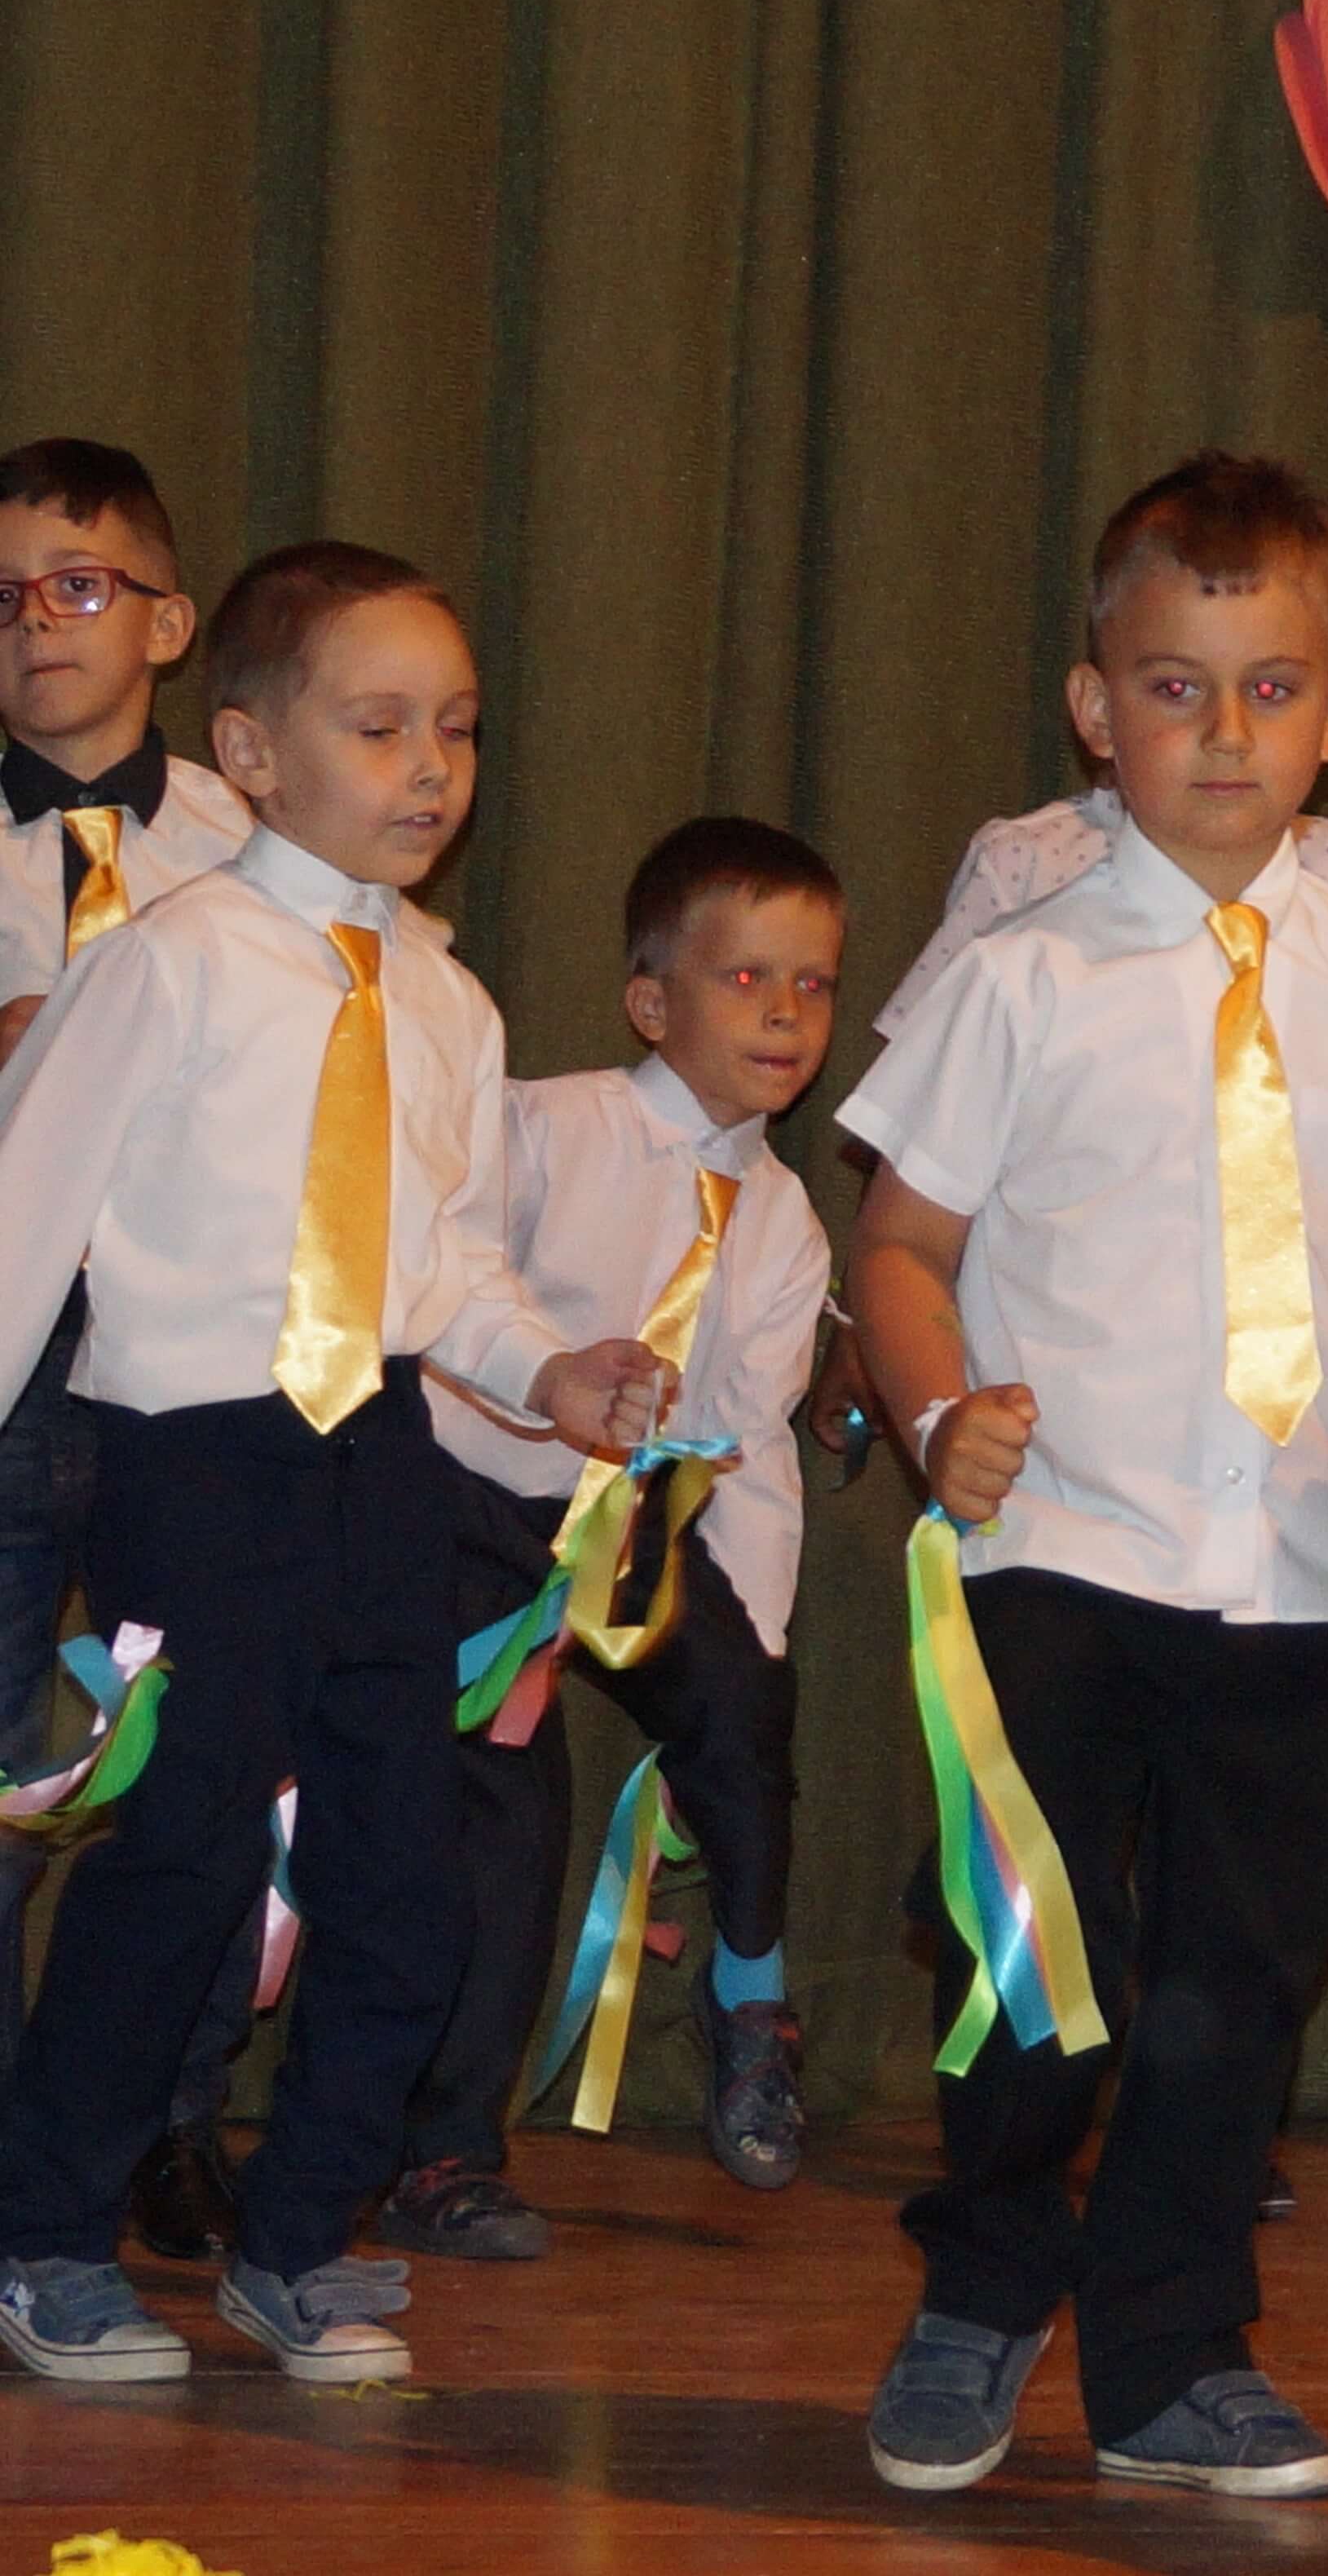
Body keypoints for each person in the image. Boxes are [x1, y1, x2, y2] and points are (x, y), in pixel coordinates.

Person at [842, 453, 1328, 2503]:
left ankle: (1172, 2354)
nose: (1225, 732)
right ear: (1093, 707)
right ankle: (981, 2285)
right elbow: (897, 1243)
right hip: (1060, 1545)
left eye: (1270, 688)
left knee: (1236, 1980)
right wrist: (940, 1412)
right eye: (1175, 687)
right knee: (1040, 1960)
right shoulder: (1017, 975)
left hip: (1284, 1565)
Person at [0, 543, 669, 2385]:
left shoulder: (446, 1004)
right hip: (192, 1457)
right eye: (378, 726)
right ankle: (47, 2233)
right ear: (251, 751)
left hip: (376, 1451)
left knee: (402, 1869)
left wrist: (553, 1370)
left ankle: (300, 2238)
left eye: (455, 727)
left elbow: (445, 1265)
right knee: (187, 1848)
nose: (429, 766)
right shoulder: (168, 962)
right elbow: (26, 1215)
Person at [376, 817, 845, 2259]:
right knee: (504, 1824)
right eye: (746, 978)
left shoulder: (786, 1223)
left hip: (643, 1519)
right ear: (652, 1002)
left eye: (815, 984)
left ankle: (750, 2001)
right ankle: (448, 2152)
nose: (784, 1012)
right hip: (481, 1508)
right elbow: (442, 1302)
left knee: (746, 1723)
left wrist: (751, 1628)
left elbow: (750, 1440)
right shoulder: (544, 1126)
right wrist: (545, 1382)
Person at [0, 438, 265, 2247]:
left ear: (167, 623)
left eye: (81, 584)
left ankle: (164, 2118)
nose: (40, 621)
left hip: (189, 1352)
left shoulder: (256, 841)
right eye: (7, 595)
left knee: (202, 1753)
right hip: (17, 1358)